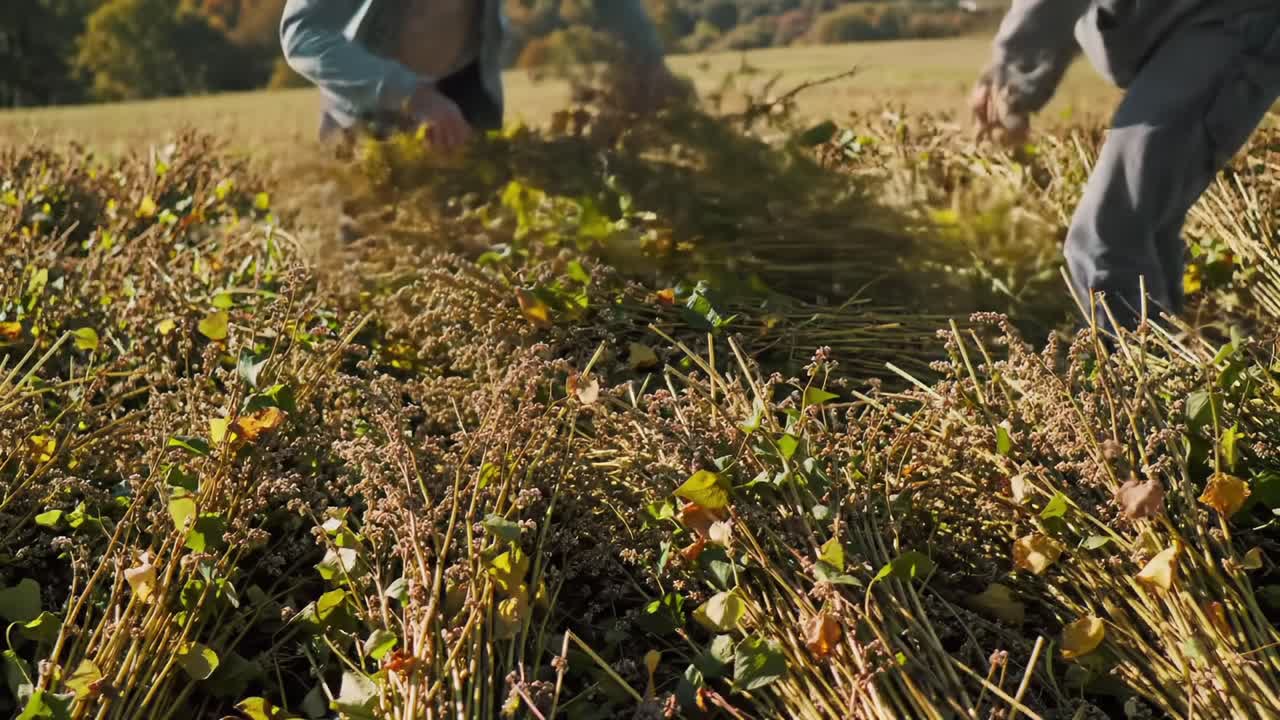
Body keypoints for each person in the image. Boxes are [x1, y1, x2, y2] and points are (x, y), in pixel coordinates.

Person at [971, 1, 1280, 333]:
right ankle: (1167, 366)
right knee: (1145, 231)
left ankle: (1132, 375)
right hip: (1193, 27)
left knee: (1108, 234)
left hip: (1227, 22)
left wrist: (1011, 86)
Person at [280, 0, 678, 149]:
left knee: (477, 251)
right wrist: (412, 95)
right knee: (365, 267)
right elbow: (302, 34)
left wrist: (647, 58)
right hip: (369, 107)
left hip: (465, 91)